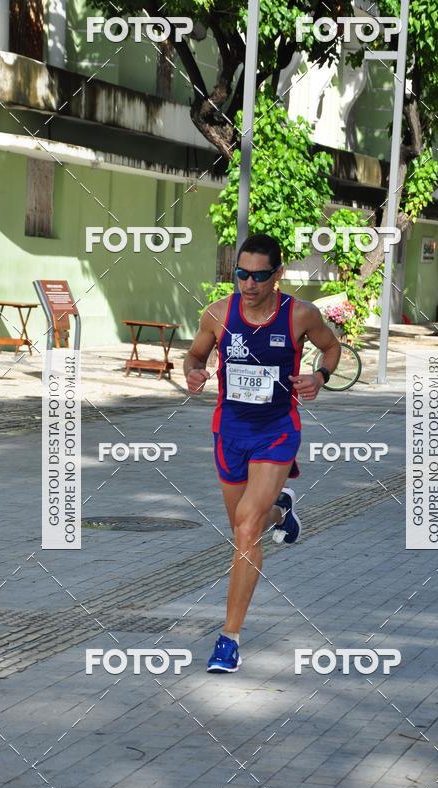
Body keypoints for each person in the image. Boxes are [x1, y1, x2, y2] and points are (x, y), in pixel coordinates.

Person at [184, 233, 341, 673]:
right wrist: (193, 373)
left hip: (276, 432)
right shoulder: (218, 314)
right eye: (241, 274)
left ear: (278, 274)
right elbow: (194, 355)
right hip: (229, 433)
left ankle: (228, 638)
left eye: (259, 276)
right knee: (243, 523)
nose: (249, 284)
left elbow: (331, 347)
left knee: (246, 529)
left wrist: (320, 377)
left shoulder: (300, 315)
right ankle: (281, 512)